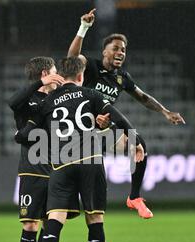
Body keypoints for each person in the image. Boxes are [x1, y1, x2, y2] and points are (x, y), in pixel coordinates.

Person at [15, 57, 145, 242]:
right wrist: (135, 140)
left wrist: (26, 136)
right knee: (94, 219)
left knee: (54, 218)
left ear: (61, 75)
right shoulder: (90, 95)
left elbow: (25, 134)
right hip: (89, 160)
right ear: (82, 76)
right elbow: (117, 117)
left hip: (60, 165)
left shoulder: (48, 101)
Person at [67, 9, 186, 219]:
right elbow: (72, 58)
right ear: (105, 52)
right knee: (92, 192)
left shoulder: (122, 77)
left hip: (102, 130)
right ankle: (95, 241)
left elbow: (143, 97)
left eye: (123, 49)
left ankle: (134, 197)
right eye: (116, 48)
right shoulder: (91, 66)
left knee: (138, 144)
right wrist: (83, 28)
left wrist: (165, 112)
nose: (121, 52)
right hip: (79, 132)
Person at [8, 56, 65, 242]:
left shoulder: (58, 100)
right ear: (44, 73)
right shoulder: (27, 99)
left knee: (49, 224)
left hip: (56, 168)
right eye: (54, 72)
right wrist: (40, 83)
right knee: (30, 224)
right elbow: (12, 102)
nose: (57, 75)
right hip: (32, 169)